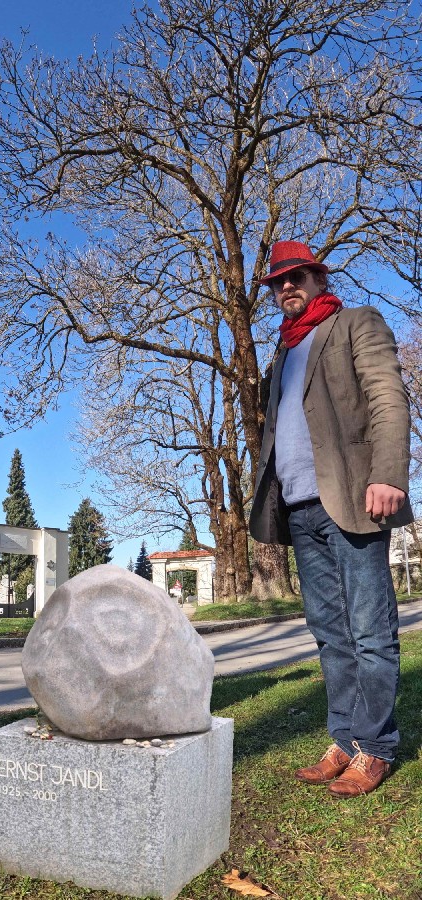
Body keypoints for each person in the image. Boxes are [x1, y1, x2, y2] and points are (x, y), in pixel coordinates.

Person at [250, 240, 412, 798]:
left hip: (352, 497)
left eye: (296, 276)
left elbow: (388, 397)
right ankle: (343, 740)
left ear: (318, 278)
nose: (286, 287)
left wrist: (388, 474)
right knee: (330, 635)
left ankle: (377, 747)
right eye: (277, 281)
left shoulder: (355, 324)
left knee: (370, 631)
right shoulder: (281, 352)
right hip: (298, 508)